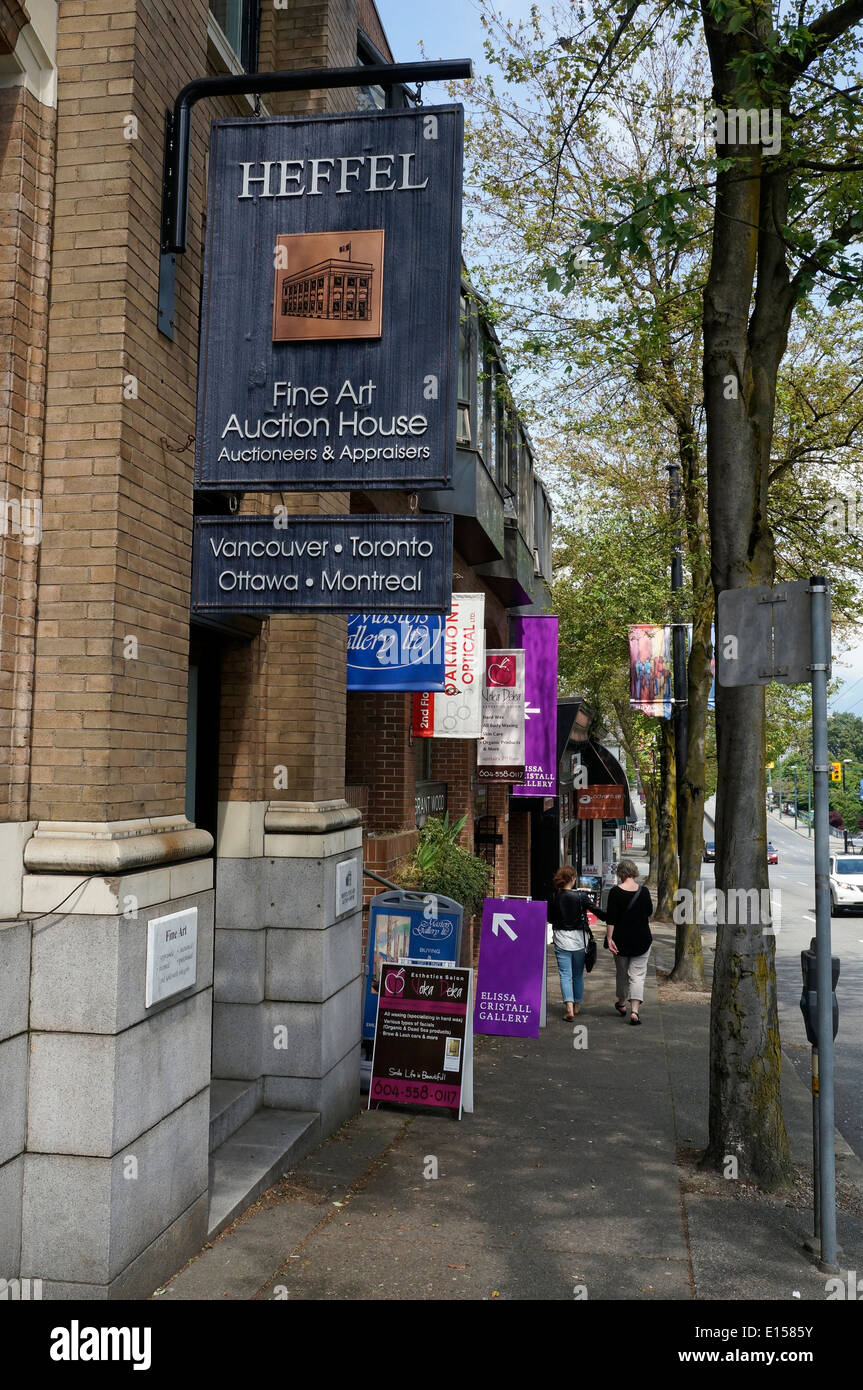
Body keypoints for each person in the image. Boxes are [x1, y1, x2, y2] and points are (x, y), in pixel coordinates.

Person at [596, 858, 653, 1024]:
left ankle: (621, 1003)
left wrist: (609, 938)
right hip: (642, 940)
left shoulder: (615, 892)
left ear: (620, 873)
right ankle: (634, 1011)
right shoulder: (644, 892)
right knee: (638, 976)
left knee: (622, 974)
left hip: (620, 941)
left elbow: (611, 919)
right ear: (634, 872)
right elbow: (649, 912)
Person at [549, 864, 593, 1021]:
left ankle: (569, 1008)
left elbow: (549, 917)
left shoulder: (555, 897)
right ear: (573, 878)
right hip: (579, 941)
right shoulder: (581, 897)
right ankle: (577, 1005)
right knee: (577, 975)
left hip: (561, 939)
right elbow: (599, 912)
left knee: (565, 975)